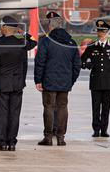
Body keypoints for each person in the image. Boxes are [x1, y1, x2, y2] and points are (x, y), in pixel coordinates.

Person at [34, 12, 81, 147]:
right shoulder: (71, 42)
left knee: (48, 107)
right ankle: (60, 137)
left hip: (49, 81)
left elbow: (40, 62)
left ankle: (48, 137)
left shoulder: (46, 41)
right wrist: (71, 80)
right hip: (65, 82)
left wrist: (38, 80)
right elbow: (77, 65)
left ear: (50, 26)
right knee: (62, 107)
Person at [0, 16, 36, 150]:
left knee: (2, 114)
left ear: (4, 28)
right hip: (17, 84)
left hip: (2, 84)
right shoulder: (21, 43)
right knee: (14, 114)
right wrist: (23, 33)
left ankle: (3, 142)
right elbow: (34, 41)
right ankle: (12, 142)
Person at [80, 19, 110, 138]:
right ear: (97, 32)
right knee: (95, 107)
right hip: (96, 81)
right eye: (99, 31)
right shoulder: (92, 47)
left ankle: (104, 129)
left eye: (103, 31)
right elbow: (81, 61)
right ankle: (96, 129)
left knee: (106, 107)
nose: (101, 33)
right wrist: (88, 65)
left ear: (107, 32)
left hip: (109, 82)